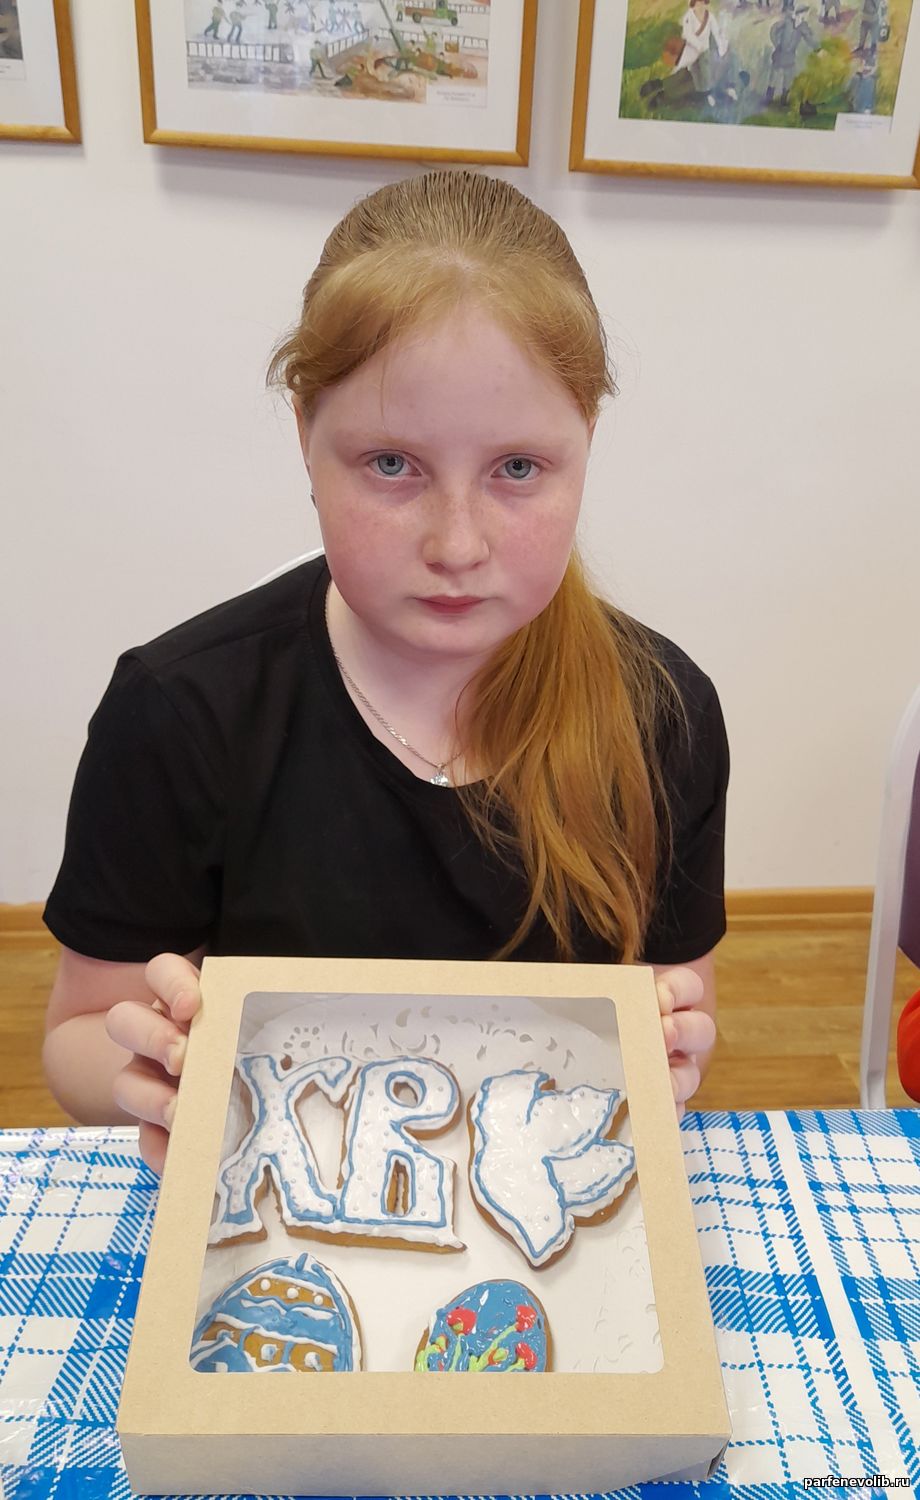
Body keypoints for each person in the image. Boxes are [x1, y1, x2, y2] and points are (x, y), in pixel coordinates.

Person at [41, 171, 729, 1174]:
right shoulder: (179, 714)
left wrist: (669, 1051)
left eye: (517, 469)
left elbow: (669, 1007)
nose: (457, 544)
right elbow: (77, 1038)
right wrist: (150, 1069)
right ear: (305, 437)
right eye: (392, 465)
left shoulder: (663, 715)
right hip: (274, 1195)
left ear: (586, 440)